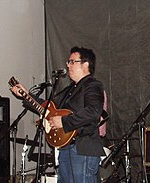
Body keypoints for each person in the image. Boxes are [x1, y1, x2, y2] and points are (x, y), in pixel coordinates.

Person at [11, 46, 106, 183]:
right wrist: (25, 95)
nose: (68, 65)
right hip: (66, 147)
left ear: (85, 64)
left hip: (83, 148)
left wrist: (64, 122)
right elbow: (48, 109)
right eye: (68, 62)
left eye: (72, 61)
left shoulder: (93, 85)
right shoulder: (69, 90)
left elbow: (93, 111)